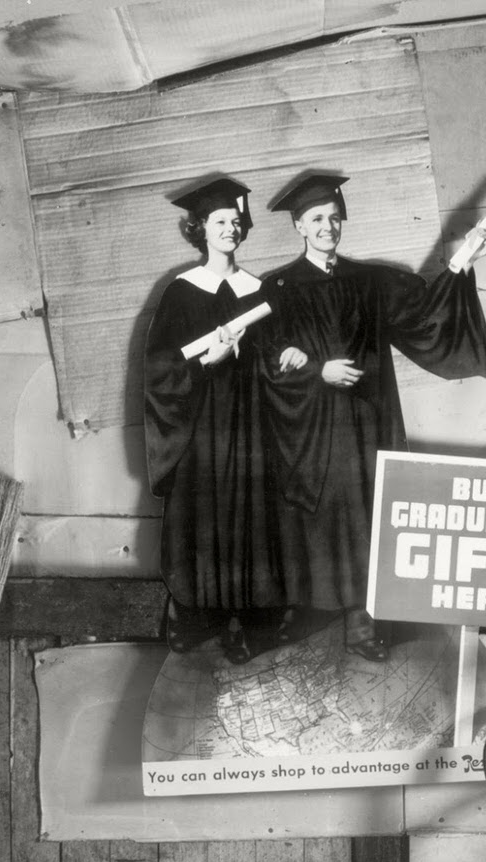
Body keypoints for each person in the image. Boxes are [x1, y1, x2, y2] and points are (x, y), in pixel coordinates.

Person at [257, 172, 486, 660]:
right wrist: (316, 372)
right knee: (318, 515)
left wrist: (463, 260)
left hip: (369, 419)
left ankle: (363, 622)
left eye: (333, 217)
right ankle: (311, 609)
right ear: (300, 227)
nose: (328, 226)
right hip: (309, 424)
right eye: (317, 219)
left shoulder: (368, 281)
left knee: (371, 512)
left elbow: (424, 313)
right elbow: (264, 355)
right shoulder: (277, 287)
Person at [143, 175, 282, 662]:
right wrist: (207, 361)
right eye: (219, 221)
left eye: (236, 221)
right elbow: (160, 370)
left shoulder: (258, 290)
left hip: (249, 424)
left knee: (250, 514)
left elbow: (272, 358)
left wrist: (261, 356)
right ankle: (197, 615)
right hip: (200, 424)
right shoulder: (181, 293)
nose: (230, 228)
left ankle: (244, 618)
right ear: (199, 228)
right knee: (201, 513)